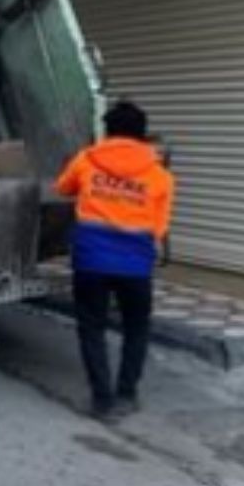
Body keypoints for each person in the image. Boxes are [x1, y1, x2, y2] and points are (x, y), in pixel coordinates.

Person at [54, 101, 175, 422]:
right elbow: (160, 228)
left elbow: (62, 187)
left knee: (91, 327)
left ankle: (101, 400)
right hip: (135, 265)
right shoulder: (160, 174)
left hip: (91, 261)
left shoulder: (87, 159)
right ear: (143, 134)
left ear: (107, 131)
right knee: (136, 328)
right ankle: (126, 394)